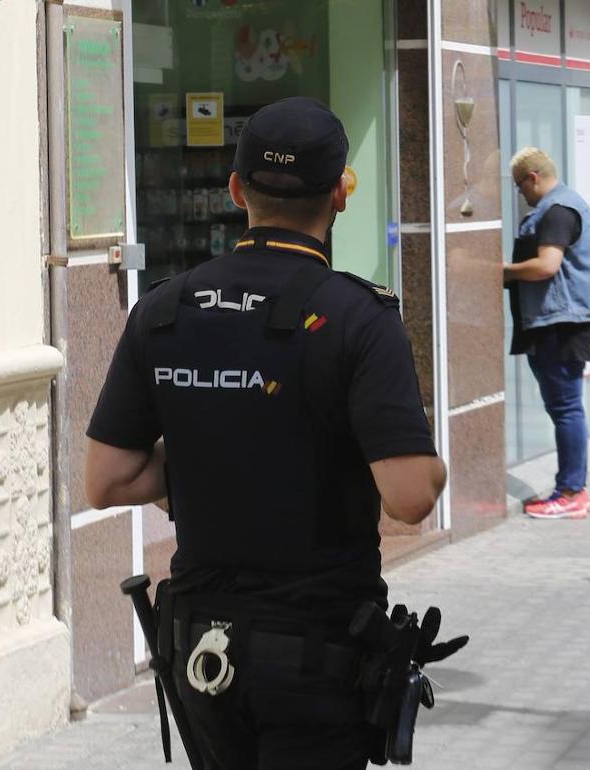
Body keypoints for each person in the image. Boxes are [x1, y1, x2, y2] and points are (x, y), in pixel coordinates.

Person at [84, 98, 453, 769]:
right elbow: (409, 497)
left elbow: (107, 479)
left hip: (199, 648)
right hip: (317, 653)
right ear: (340, 194)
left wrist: (214, 450)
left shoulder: (163, 309)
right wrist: (429, 464)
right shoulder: (358, 318)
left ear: (235, 189)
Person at [505, 147, 590, 520]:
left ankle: (570, 492)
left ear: (533, 177)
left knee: (566, 407)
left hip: (562, 322)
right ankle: (572, 488)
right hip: (566, 318)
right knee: (566, 406)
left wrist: (501, 271)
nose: (521, 194)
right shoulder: (566, 204)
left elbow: (547, 265)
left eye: (520, 186)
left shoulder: (557, 211)